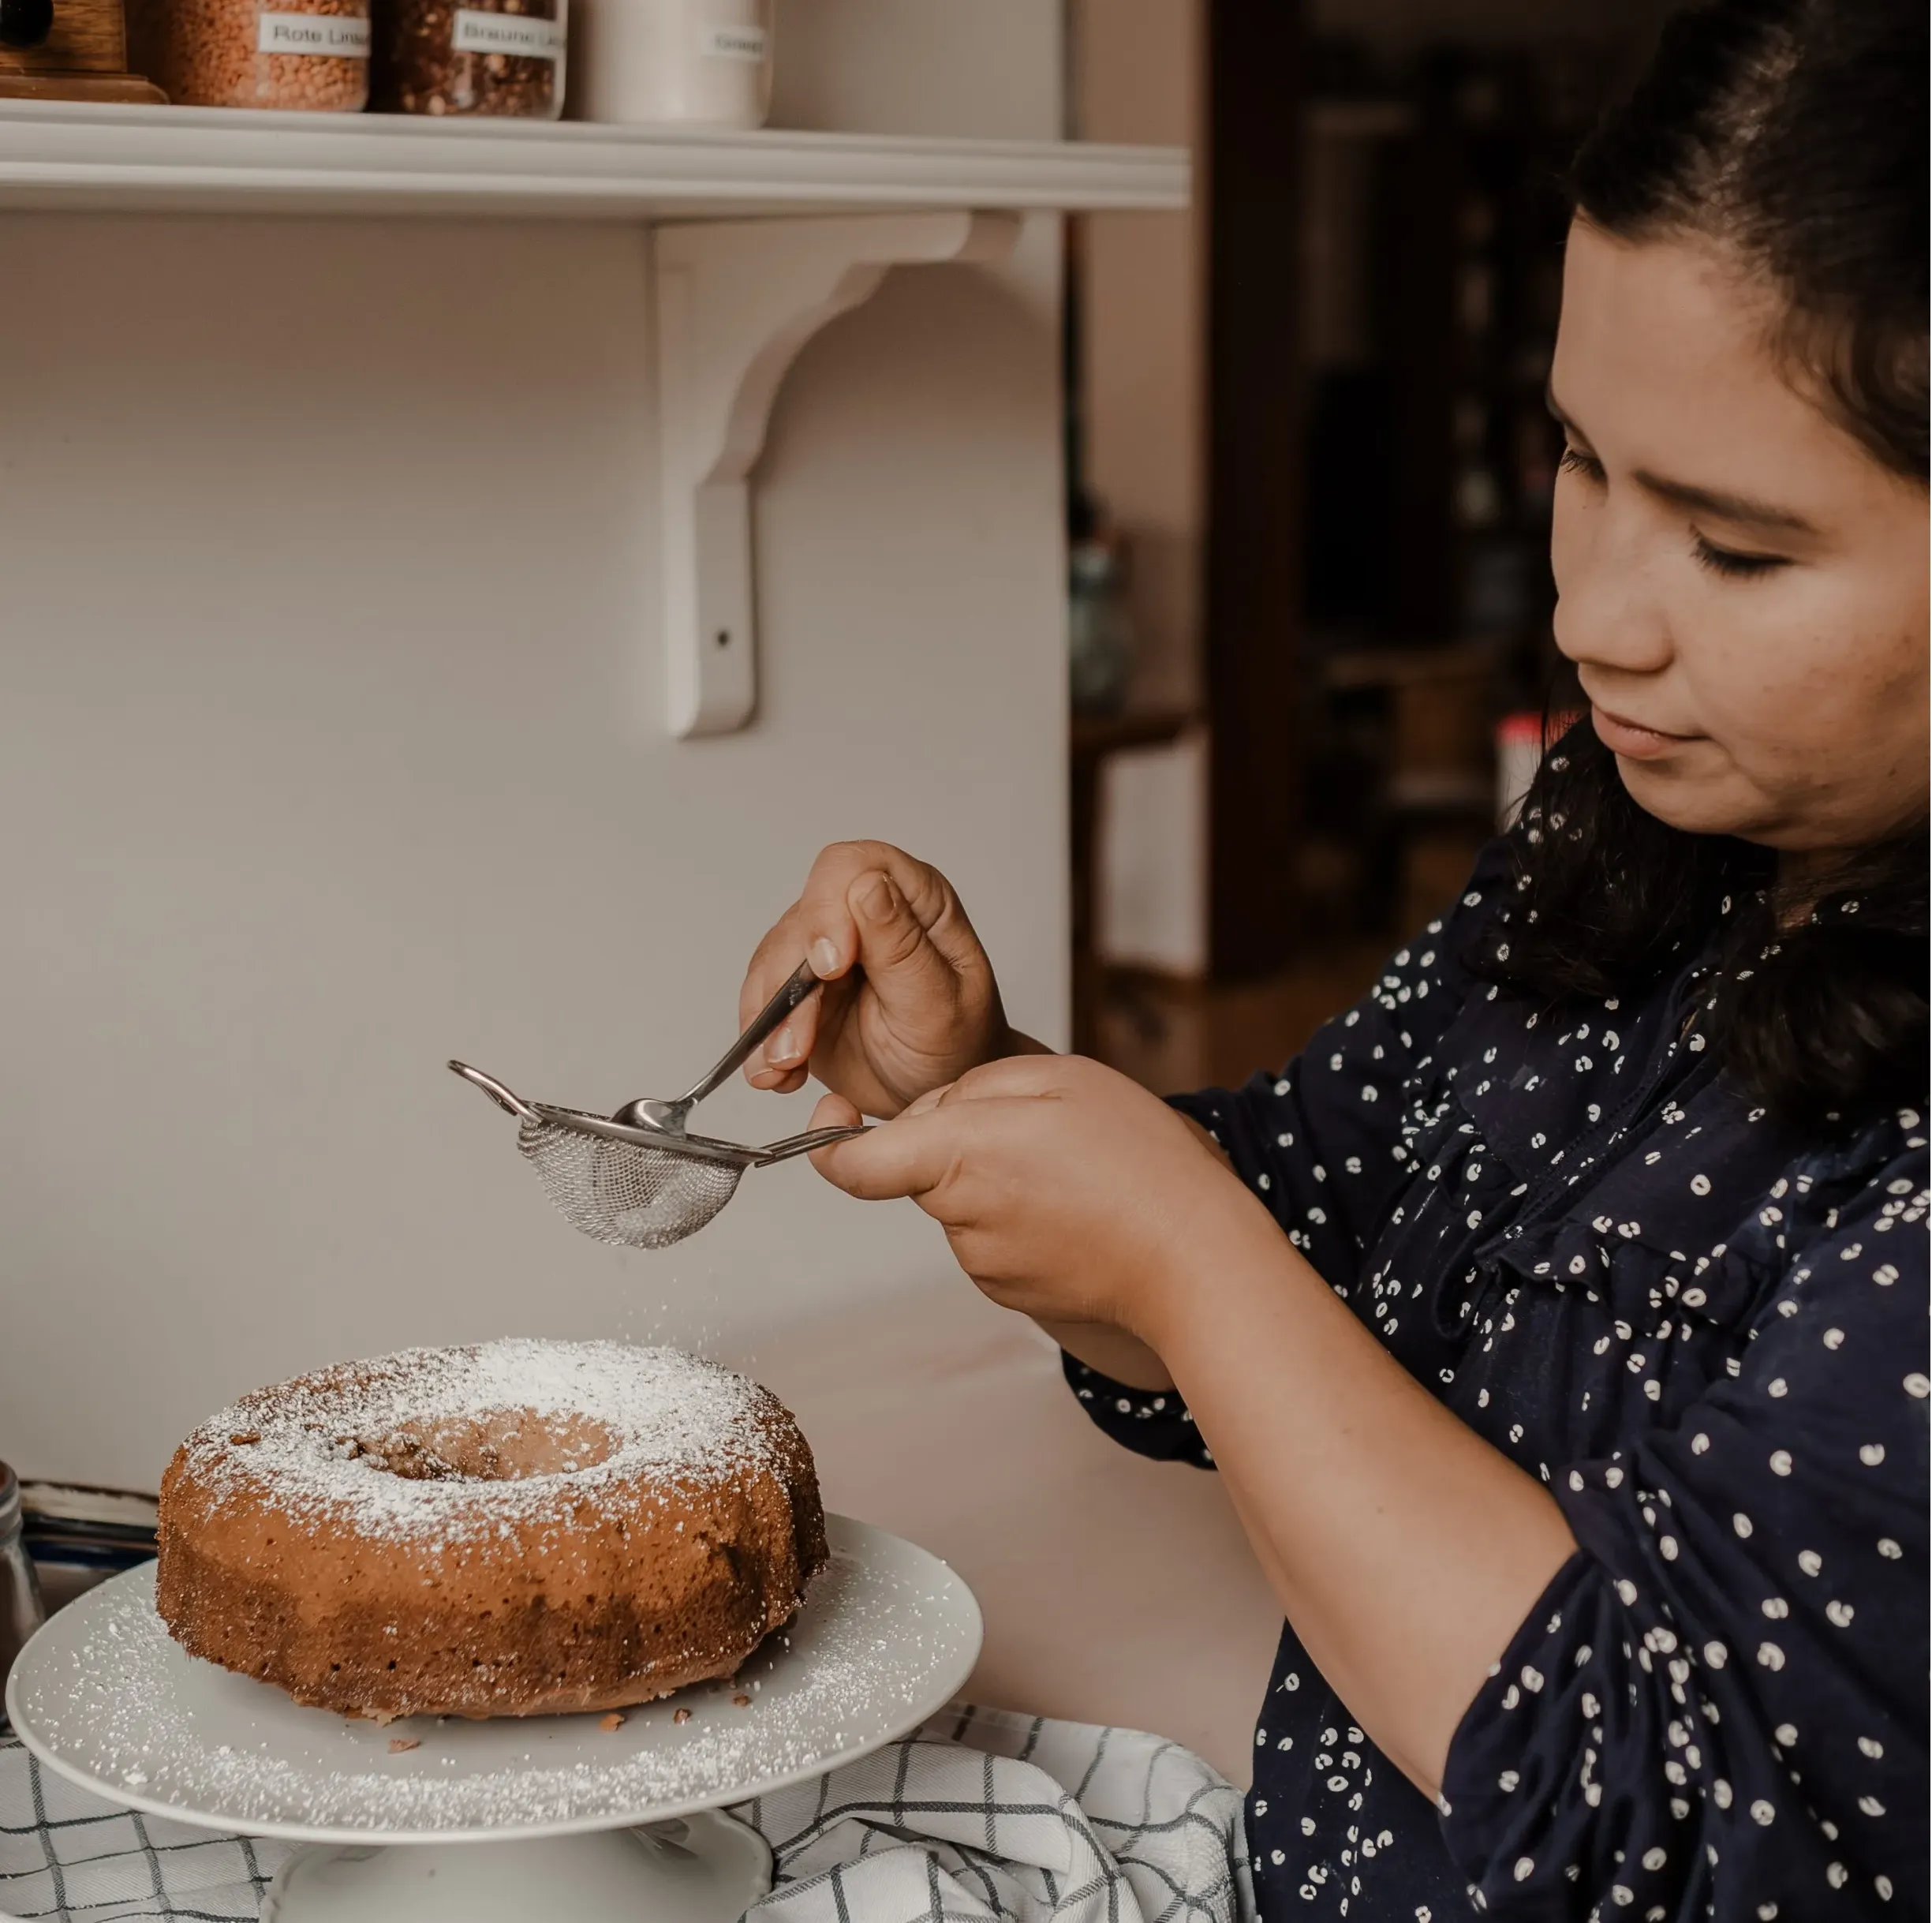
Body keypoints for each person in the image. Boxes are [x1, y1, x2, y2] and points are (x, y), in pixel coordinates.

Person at [736, 2, 1928, 1914]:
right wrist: (995, 1087)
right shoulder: (1642, 828)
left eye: (1735, 547)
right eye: (1580, 458)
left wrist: (1192, 1266)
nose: (1594, 615)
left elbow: (1659, 1831)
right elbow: (1324, 1243)